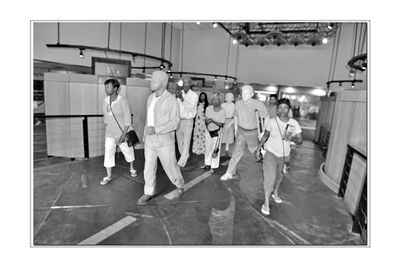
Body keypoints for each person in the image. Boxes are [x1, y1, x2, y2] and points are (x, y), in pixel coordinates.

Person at [137, 71, 185, 205]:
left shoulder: (171, 100)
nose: (151, 81)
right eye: (151, 79)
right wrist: (145, 135)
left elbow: (175, 122)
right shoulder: (150, 98)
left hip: (164, 141)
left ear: (163, 82)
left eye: (155, 79)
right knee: (148, 167)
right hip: (150, 141)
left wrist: (156, 129)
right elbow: (149, 118)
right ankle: (148, 191)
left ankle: (180, 185)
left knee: (171, 167)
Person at [255, 98, 303, 215]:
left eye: (285, 108)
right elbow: (265, 135)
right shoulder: (272, 121)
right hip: (270, 153)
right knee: (269, 178)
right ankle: (266, 202)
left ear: (289, 110)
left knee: (279, 178)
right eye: (280, 108)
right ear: (277, 110)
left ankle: (275, 192)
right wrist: (258, 148)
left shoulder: (293, 123)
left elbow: (300, 140)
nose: (282, 110)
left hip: (284, 156)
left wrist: (290, 138)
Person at [220, 85, 268, 181]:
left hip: (253, 133)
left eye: (247, 93)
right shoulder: (238, 103)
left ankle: (270, 170)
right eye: (243, 93)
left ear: (252, 94)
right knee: (236, 153)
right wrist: (236, 129)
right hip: (241, 131)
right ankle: (229, 172)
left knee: (258, 153)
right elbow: (236, 116)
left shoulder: (258, 104)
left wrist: (263, 131)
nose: (244, 95)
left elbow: (266, 116)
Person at [100, 79, 137, 185]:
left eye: (108, 87)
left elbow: (127, 120)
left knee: (128, 152)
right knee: (108, 153)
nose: (106, 89)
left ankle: (132, 168)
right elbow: (106, 117)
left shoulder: (122, 100)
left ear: (115, 88)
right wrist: (108, 129)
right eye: (105, 86)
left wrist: (122, 135)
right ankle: (108, 176)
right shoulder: (105, 100)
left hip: (122, 133)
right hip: (110, 133)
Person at [175, 77, 199, 167]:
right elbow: (175, 106)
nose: (185, 84)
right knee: (179, 142)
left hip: (188, 120)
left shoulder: (194, 95)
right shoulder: (178, 93)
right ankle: (185, 156)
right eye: (184, 83)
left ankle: (182, 161)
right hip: (178, 120)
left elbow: (191, 108)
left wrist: (182, 98)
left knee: (186, 141)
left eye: (187, 83)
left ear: (190, 84)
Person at [202, 93, 225, 173]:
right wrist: (207, 124)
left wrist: (212, 121)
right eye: (214, 100)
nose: (215, 101)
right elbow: (205, 119)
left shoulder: (222, 111)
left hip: (217, 132)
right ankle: (207, 164)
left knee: (215, 149)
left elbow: (222, 124)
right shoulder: (208, 108)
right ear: (211, 101)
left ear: (219, 101)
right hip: (208, 131)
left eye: (217, 100)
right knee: (207, 148)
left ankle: (214, 166)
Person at [221, 92, 235, 157]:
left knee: (228, 137)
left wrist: (230, 123)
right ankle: (218, 149)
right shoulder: (223, 105)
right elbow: (219, 114)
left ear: (232, 99)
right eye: (228, 97)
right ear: (226, 98)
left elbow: (236, 117)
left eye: (230, 97)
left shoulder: (234, 106)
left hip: (230, 121)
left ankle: (227, 150)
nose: (229, 98)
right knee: (221, 136)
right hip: (223, 121)